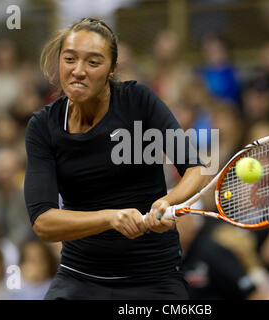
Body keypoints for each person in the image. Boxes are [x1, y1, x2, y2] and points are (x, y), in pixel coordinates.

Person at [24, 17, 208, 300]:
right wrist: (111, 218)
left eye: (93, 62)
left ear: (111, 69)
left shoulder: (139, 101)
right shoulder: (43, 126)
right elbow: (44, 222)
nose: (78, 71)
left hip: (153, 277)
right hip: (79, 275)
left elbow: (194, 169)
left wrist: (168, 202)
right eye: (70, 59)